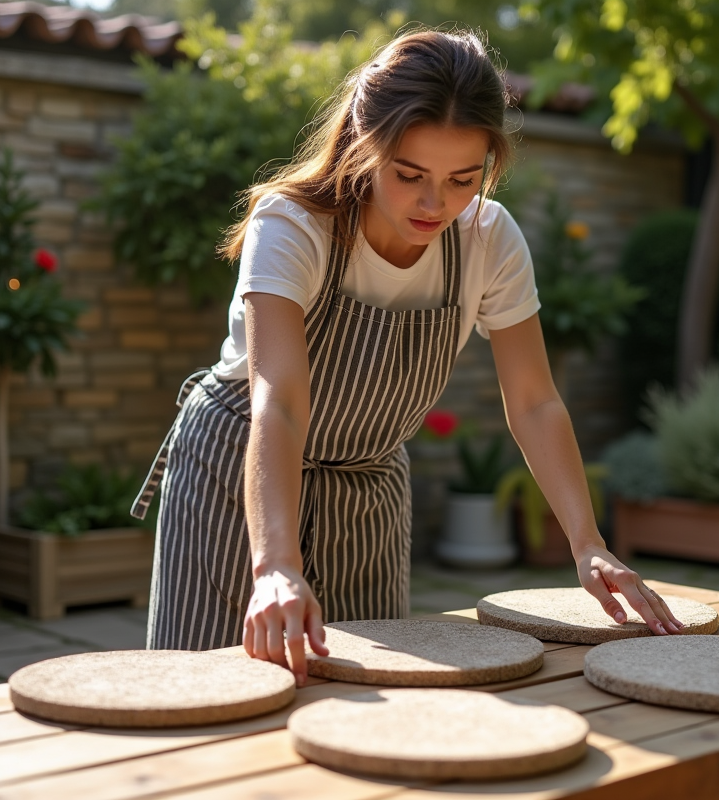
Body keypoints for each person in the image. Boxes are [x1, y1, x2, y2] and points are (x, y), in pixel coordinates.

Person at [131, 28, 683, 686]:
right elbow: (277, 400)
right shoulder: (292, 225)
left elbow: (534, 402)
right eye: (409, 174)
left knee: (371, 709)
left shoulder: (488, 240)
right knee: (204, 697)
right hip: (237, 470)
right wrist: (274, 564)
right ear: (367, 147)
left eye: (461, 179)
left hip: (367, 489)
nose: (434, 204)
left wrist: (587, 543)